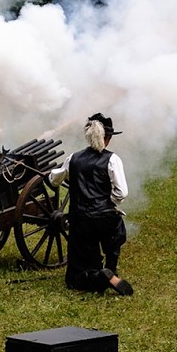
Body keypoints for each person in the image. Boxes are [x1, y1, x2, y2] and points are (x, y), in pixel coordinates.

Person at [48, 113, 133, 296]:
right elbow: (122, 192)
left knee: (74, 279)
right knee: (116, 231)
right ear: (107, 138)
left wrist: (53, 175)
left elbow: (55, 180)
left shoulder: (73, 158)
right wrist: (108, 202)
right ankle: (110, 270)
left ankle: (97, 275)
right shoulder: (113, 159)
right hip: (104, 219)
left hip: (79, 220)